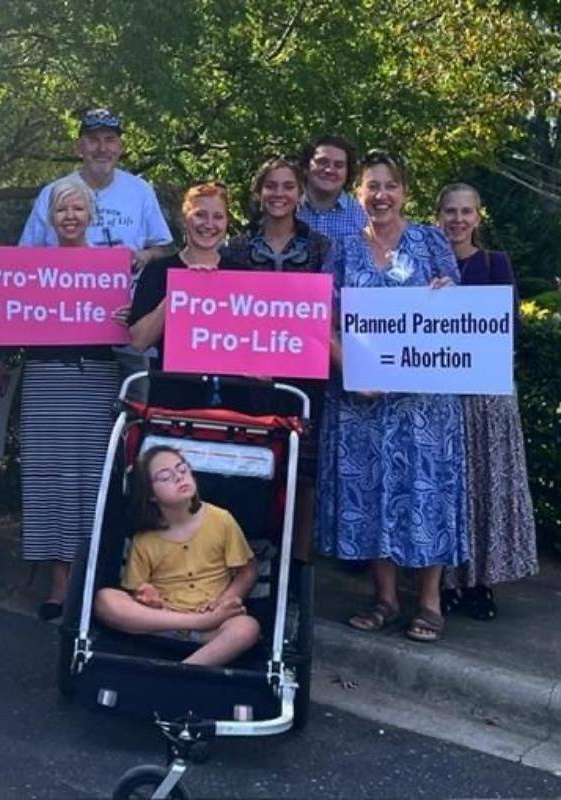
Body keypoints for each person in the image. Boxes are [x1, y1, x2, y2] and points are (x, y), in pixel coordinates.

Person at [315, 151, 469, 643]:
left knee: (427, 492)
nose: (380, 195)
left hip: (425, 405)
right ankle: (383, 597)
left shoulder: (430, 240)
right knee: (375, 493)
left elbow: (460, 315)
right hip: (363, 401)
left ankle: (429, 600)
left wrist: (447, 296)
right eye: (371, 187)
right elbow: (322, 320)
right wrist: (349, 370)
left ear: (404, 192)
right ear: (359, 195)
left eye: (390, 186)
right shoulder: (342, 249)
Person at [0, 176, 129, 620]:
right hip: (45, 380)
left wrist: (125, 314)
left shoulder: (112, 268)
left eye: (78, 209)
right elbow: (6, 320)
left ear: (91, 216)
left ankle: (91, 580)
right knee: (47, 480)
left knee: (90, 482)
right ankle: (58, 583)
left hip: (97, 380)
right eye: (62, 209)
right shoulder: (27, 269)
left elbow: (132, 332)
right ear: (50, 216)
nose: (70, 216)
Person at [435, 182, 538, 620]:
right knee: (449, 489)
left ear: (478, 218)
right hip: (442, 397)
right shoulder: (425, 265)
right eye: (450, 212)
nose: (458, 220)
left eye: (466, 212)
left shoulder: (496, 265)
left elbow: (509, 329)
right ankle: (444, 582)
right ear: (438, 216)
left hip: (487, 398)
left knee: (486, 487)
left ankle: (482, 583)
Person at [221, 156, 333, 562]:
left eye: (288, 186)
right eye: (271, 186)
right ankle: (241, 560)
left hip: (304, 377)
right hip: (249, 378)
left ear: (300, 193)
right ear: (258, 193)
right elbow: (223, 312)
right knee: (249, 467)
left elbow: (332, 310)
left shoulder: (321, 247)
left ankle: (296, 568)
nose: (279, 194)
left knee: (302, 473)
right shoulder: (236, 247)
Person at [19, 108, 173, 397]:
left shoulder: (140, 191)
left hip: (126, 329)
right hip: (64, 332)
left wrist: (143, 256)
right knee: (72, 414)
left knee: (130, 417)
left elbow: (164, 249)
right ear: (80, 147)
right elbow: (24, 261)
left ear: (120, 147)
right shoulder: (53, 192)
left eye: (110, 139)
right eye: (93, 140)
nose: (102, 148)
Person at [94, 446, 260, 667]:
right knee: (105, 599)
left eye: (182, 469)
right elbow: (137, 592)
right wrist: (147, 598)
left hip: (214, 625)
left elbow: (247, 571)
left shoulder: (221, 520)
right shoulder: (145, 540)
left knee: (247, 627)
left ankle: (186, 668)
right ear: (151, 495)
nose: (178, 477)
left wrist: (224, 602)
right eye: (165, 476)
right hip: (164, 620)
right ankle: (198, 628)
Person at [128, 182, 234, 407]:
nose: (209, 224)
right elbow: (139, 340)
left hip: (233, 402)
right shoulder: (158, 271)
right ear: (184, 219)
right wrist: (180, 291)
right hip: (172, 400)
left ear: (226, 223)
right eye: (200, 215)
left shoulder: (242, 274)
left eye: (218, 217)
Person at [297, 135, 368, 240]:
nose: (329, 170)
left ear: (348, 172)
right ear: (307, 166)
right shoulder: (289, 209)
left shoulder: (362, 216)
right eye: (322, 162)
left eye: (338, 165)